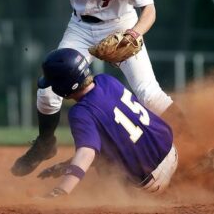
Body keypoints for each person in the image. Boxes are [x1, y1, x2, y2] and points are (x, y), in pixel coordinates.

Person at [11, 0, 178, 177]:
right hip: (80, 26)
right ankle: (45, 143)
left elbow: (149, 11)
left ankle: (198, 143)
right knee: (49, 88)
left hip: (119, 25)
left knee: (150, 95)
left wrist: (134, 35)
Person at [34, 48, 178, 196]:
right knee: (108, 145)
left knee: (106, 170)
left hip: (151, 182)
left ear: (62, 86)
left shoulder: (80, 112)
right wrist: (65, 166)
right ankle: (180, 179)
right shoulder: (106, 80)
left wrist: (62, 190)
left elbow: (87, 153)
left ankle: (150, 196)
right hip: (172, 153)